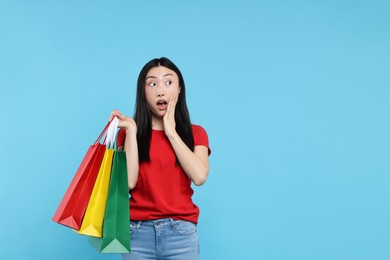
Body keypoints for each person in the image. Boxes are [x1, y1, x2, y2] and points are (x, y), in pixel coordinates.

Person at [110, 57, 211, 260]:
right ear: (143, 92)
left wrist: (171, 132)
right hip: (136, 233)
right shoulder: (128, 134)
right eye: (152, 83)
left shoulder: (196, 133)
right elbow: (128, 183)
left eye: (168, 82)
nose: (160, 91)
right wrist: (130, 130)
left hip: (181, 234)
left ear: (179, 89)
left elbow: (199, 176)